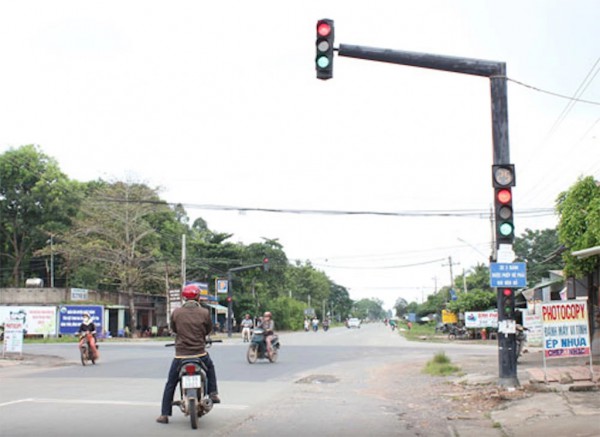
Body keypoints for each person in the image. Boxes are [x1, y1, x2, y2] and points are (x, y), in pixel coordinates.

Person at [156, 285, 220, 425]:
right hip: (199, 353)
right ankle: (213, 393)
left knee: (171, 383)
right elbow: (208, 329)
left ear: (184, 297)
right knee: (210, 368)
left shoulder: (176, 312)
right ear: (197, 297)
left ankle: (164, 414)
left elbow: (173, 329)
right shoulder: (204, 312)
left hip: (181, 355)